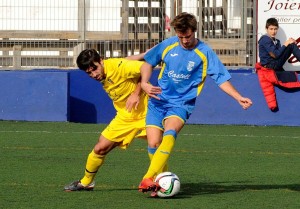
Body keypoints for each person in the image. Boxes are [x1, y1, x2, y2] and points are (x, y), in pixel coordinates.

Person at [137, 12, 253, 196]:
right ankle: (160, 181)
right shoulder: (168, 45)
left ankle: (149, 177)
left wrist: (238, 97)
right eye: (180, 36)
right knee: (153, 143)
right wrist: (144, 83)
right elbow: (147, 63)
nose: (184, 40)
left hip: (182, 104)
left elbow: (221, 79)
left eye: (188, 36)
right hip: (158, 101)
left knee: (170, 132)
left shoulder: (204, 52)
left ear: (194, 31)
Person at [64, 49, 150, 191]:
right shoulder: (108, 67)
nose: (94, 75)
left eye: (95, 69)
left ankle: (156, 180)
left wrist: (136, 93)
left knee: (155, 145)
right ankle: (86, 182)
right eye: (89, 73)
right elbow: (129, 60)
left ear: (101, 61)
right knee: (100, 148)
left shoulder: (117, 66)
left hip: (146, 113)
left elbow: (144, 66)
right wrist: (142, 54)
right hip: (125, 116)